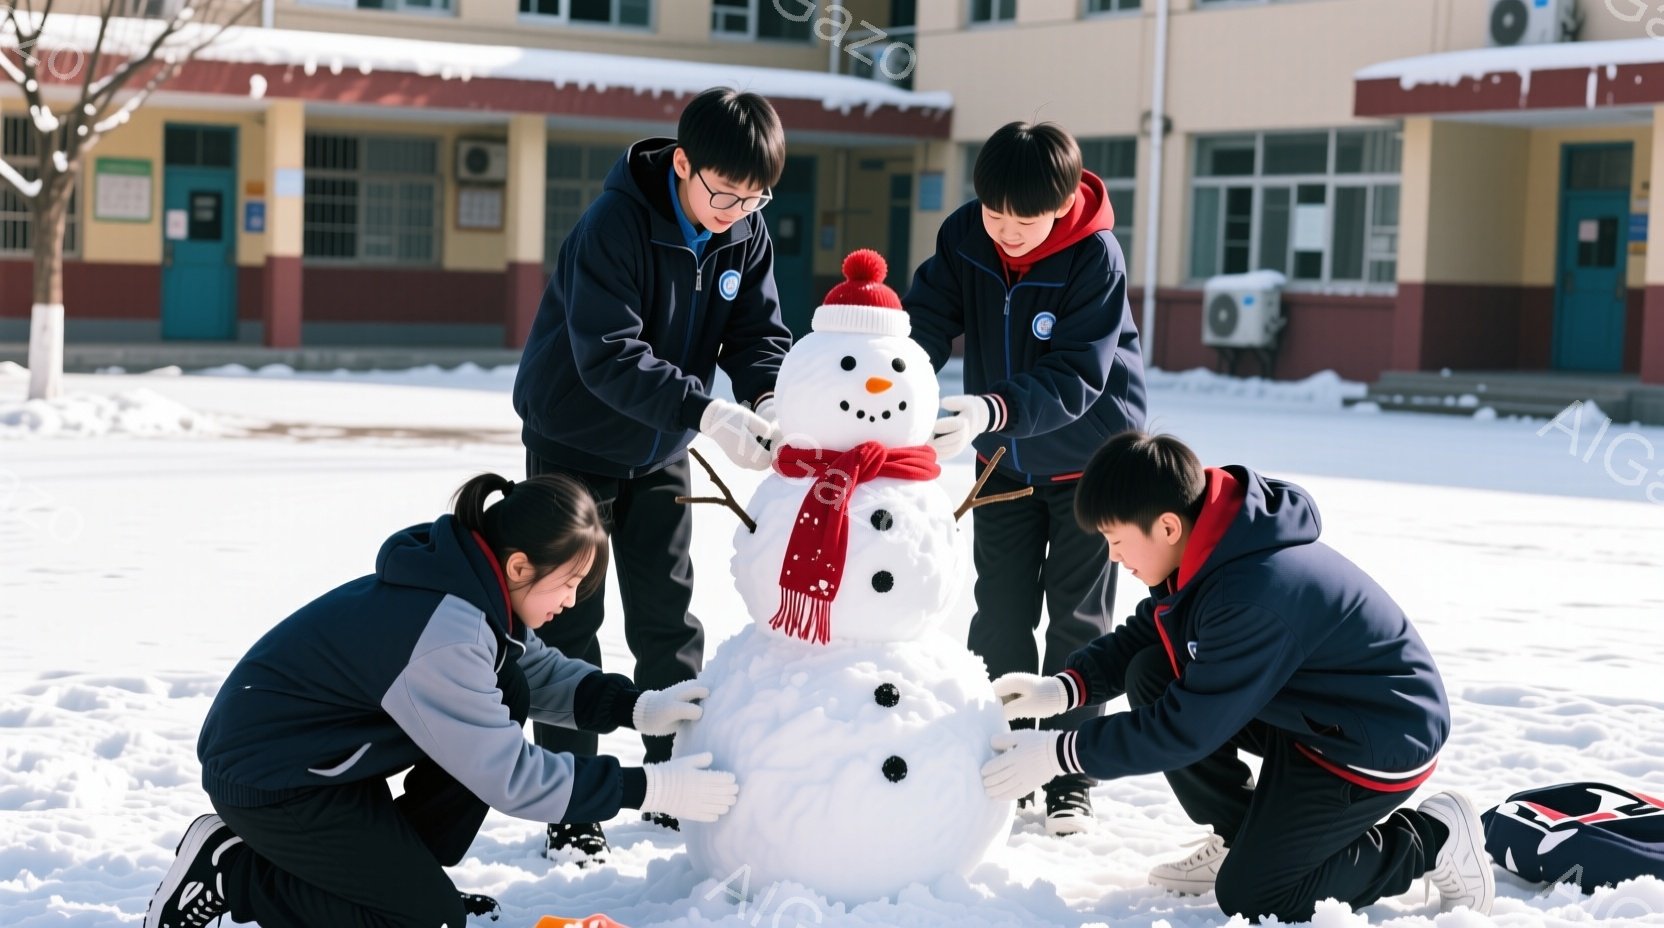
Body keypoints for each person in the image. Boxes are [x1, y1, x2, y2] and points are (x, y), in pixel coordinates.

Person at [143, 473, 739, 928]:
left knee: (508, 688)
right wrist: (649, 788)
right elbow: (514, 778)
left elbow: (535, 671)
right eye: (569, 583)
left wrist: (635, 708)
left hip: (325, 763)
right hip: (274, 779)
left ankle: (406, 877)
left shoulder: (472, 595)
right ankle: (234, 871)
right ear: (519, 565)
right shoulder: (446, 635)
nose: (573, 600)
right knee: (423, 921)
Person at [981, 431, 1495, 921]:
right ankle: (1239, 834)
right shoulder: (1209, 543)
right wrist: (1064, 688)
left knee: (1256, 895)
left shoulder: (1249, 596)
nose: (1113, 556)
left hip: (1375, 739)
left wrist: (1058, 753)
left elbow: (1184, 730)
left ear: (1166, 527)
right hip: (1308, 711)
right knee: (1152, 672)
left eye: (1116, 540)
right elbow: (1148, 634)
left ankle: (1433, 838)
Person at [510, 86, 793, 858]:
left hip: (660, 446)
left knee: (667, 619)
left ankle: (678, 781)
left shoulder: (744, 231)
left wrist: (767, 398)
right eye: (724, 191)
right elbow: (609, 355)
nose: (737, 208)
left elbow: (757, 330)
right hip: (575, 443)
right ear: (682, 164)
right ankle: (574, 800)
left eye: (755, 195)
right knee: (569, 625)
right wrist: (710, 415)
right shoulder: (615, 225)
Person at [902, 120, 1147, 834]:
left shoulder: (1094, 257)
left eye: (1026, 218)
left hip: (1092, 466)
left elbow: (1077, 375)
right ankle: (1000, 748)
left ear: (1065, 203)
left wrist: (992, 408)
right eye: (995, 213)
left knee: (1077, 620)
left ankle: (1067, 768)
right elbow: (927, 317)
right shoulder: (966, 236)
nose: (1008, 230)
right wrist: (897, 378)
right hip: (1002, 460)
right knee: (1000, 614)